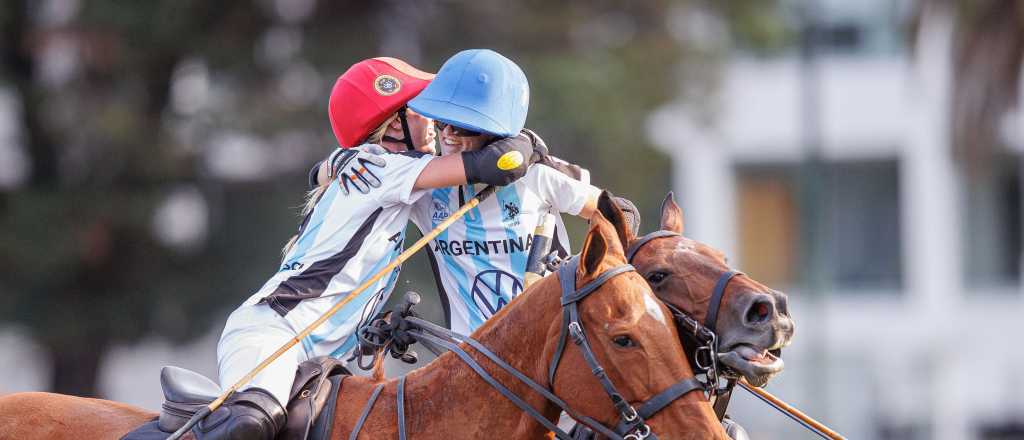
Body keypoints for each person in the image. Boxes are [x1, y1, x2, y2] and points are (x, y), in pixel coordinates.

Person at [205, 57, 542, 440]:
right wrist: (525, 139)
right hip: (271, 338)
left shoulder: (374, 167)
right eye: (420, 112)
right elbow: (499, 163)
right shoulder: (384, 167)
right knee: (248, 427)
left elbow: (317, 171)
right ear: (391, 126)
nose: (435, 123)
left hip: (319, 363)